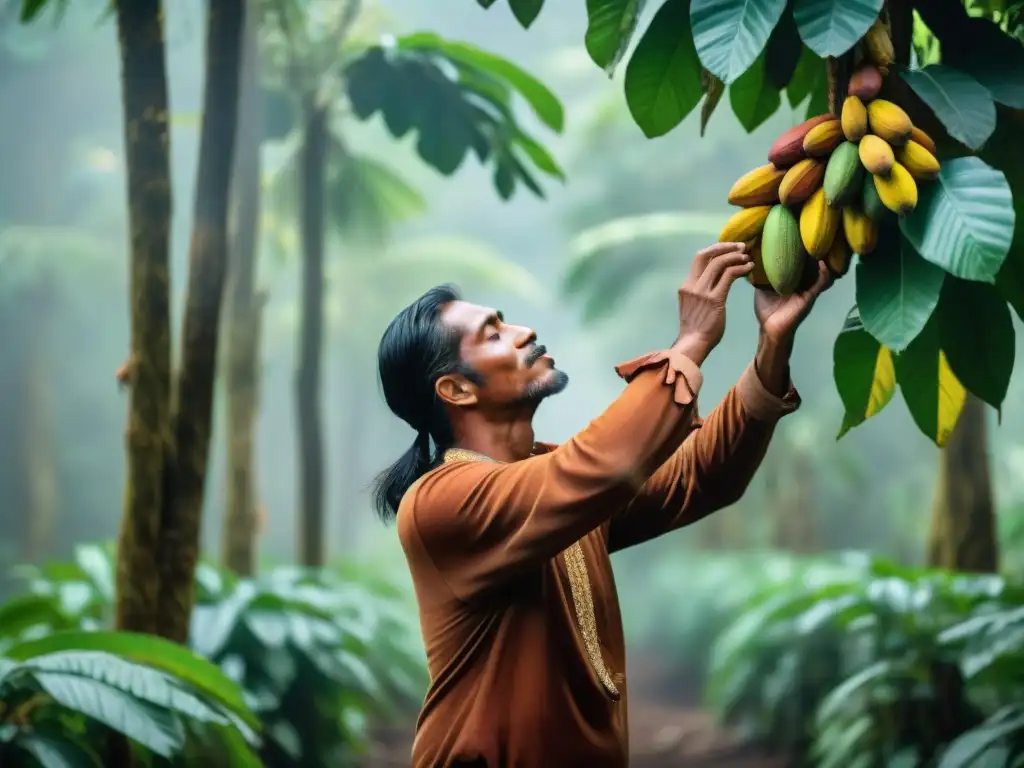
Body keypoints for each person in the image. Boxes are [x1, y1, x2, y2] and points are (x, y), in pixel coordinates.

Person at [371, 242, 829, 767]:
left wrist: (772, 346)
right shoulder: (440, 503)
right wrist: (690, 342)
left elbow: (702, 477)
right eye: (494, 334)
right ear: (455, 389)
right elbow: (605, 464)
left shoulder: (561, 485)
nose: (524, 333)